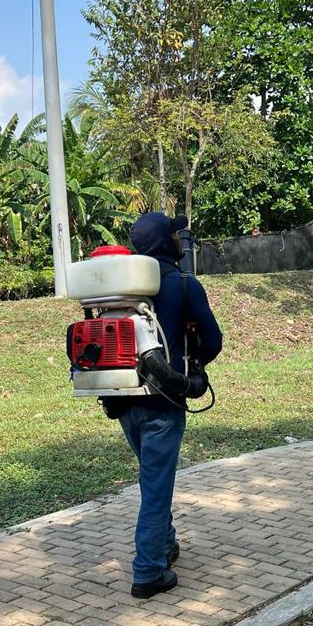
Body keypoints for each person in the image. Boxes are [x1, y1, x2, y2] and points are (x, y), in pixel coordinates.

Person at [110, 212, 223, 600]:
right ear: (167, 241)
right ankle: (148, 571)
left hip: (122, 399)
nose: (181, 240)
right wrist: (195, 367)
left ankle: (165, 543)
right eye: (177, 235)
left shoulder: (118, 287)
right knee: (156, 487)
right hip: (163, 400)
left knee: (152, 478)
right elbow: (213, 340)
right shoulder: (182, 283)